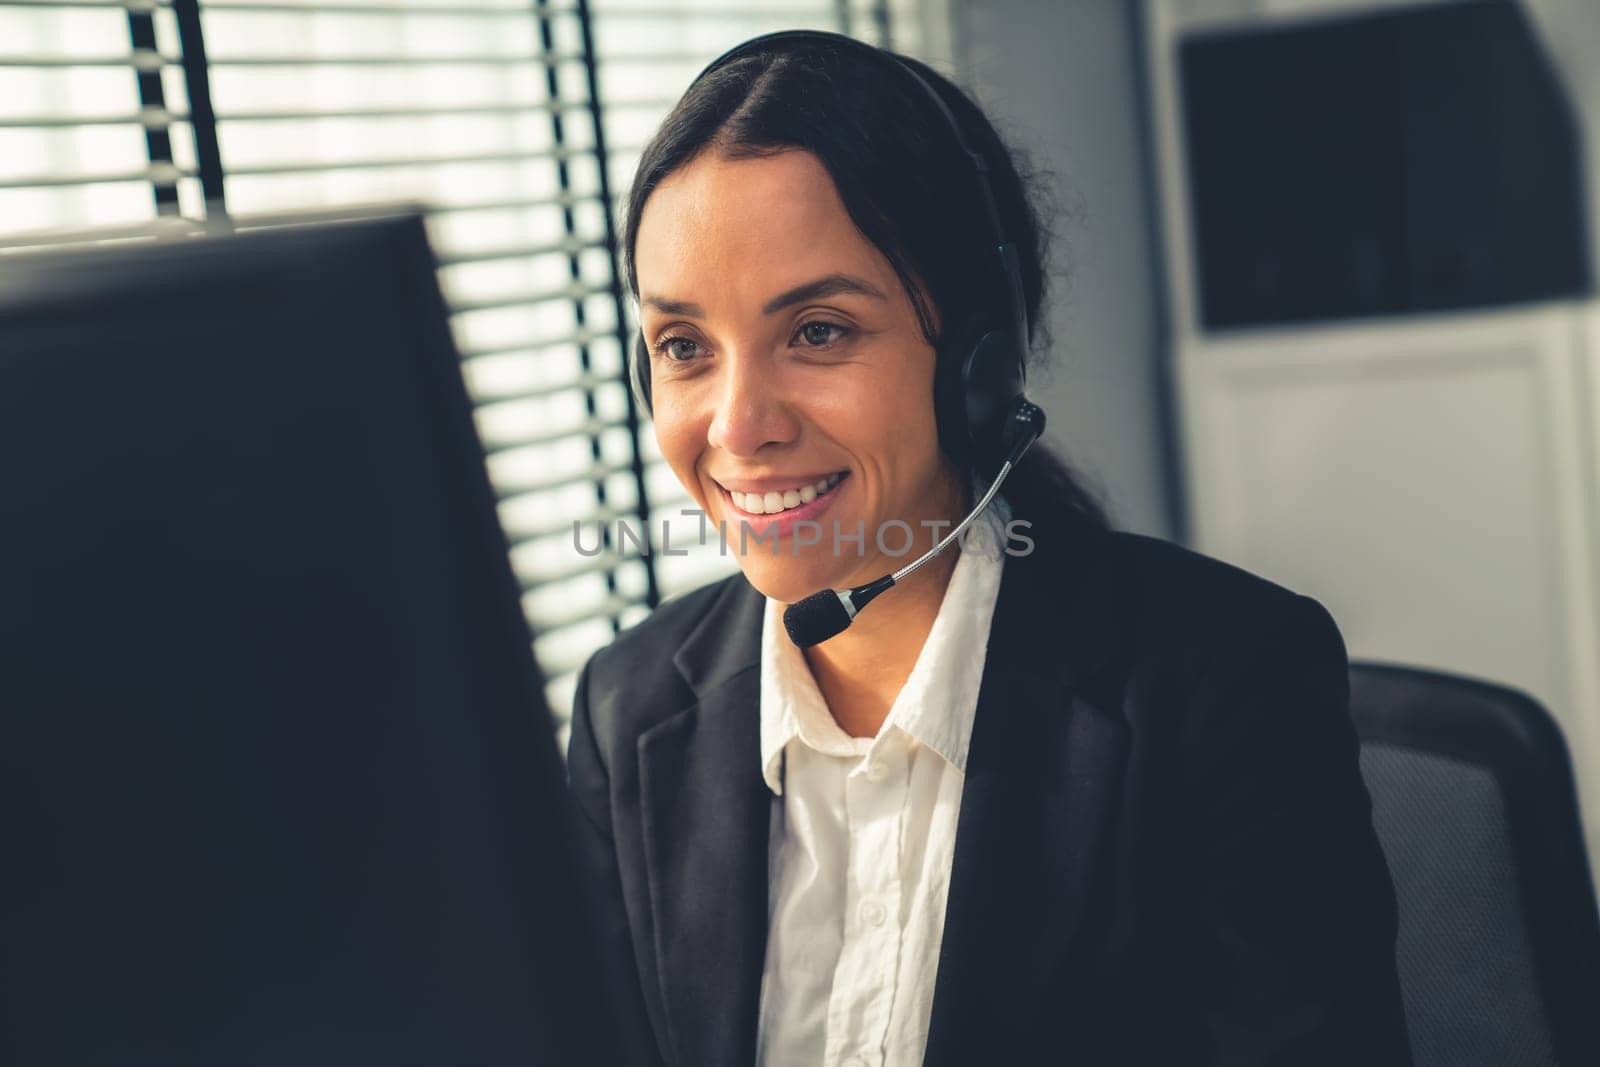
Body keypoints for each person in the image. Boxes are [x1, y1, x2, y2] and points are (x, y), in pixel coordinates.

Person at [565, 30, 1411, 1067]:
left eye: (819, 330)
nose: (737, 427)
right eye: (684, 346)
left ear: (979, 360)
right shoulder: (629, 711)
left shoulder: (1224, 686)